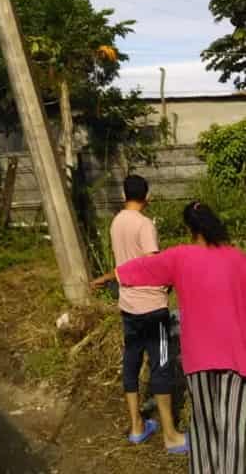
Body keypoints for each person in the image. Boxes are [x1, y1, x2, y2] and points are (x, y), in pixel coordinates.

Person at [110, 201, 246, 474]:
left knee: (206, 422)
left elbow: (140, 269)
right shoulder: (237, 259)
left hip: (200, 357)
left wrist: (107, 277)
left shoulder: (180, 256)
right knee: (234, 425)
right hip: (235, 354)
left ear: (189, 228)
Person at [92, 175, 187, 453]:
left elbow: (123, 264)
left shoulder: (117, 221)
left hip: (128, 306)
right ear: (147, 196)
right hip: (151, 306)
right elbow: (152, 264)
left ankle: (136, 426)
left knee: (131, 360)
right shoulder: (144, 225)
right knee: (161, 363)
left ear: (124, 194)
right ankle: (170, 434)